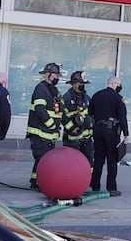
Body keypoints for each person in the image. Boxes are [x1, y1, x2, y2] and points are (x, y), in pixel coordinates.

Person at [26, 62, 64, 190]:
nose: (57, 78)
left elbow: (59, 110)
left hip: (49, 134)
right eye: (55, 75)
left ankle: (35, 181)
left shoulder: (54, 91)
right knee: (42, 160)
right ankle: (38, 183)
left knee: (44, 161)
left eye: (58, 75)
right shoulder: (41, 88)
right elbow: (40, 108)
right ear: (48, 75)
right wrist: (51, 124)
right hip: (40, 133)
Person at [89, 76, 129, 196]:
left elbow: (90, 112)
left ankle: (95, 186)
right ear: (113, 83)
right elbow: (122, 118)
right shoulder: (118, 98)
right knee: (112, 159)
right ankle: (111, 188)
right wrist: (126, 134)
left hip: (97, 130)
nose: (120, 87)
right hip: (111, 131)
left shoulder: (96, 95)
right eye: (119, 84)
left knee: (98, 158)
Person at [62, 71, 95, 172]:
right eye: (79, 83)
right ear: (73, 84)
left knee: (89, 161)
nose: (81, 86)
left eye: (83, 84)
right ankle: (72, 181)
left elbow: (91, 115)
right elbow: (63, 117)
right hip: (73, 139)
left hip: (87, 138)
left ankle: (89, 180)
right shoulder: (67, 98)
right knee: (73, 162)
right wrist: (72, 128)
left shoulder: (87, 98)